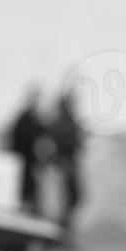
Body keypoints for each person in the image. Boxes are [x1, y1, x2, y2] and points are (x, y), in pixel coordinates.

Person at [47, 91, 85, 232]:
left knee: (74, 198)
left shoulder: (67, 120)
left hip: (70, 163)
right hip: (66, 164)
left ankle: (65, 228)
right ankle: (63, 229)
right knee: (70, 198)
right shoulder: (62, 121)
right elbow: (58, 143)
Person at [6, 87, 45, 216]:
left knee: (32, 194)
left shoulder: (33, 119)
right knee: (26, 195)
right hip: (24, 164)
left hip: (30, 165)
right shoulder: (26, 119)